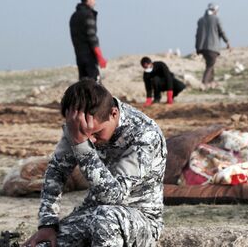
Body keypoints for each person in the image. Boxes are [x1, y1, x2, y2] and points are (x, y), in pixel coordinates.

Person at [23, 79, 166, 246]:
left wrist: (81, 145)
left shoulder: (145, 135)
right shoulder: (80, 127)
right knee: (46, 244)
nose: (90, 139)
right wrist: (47, 222)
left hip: (140, 220)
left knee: (106, 219)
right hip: (93, 213)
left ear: (113, 114)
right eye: (84, 134)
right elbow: (57, 172)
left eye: (96, 133)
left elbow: (113, 196)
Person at [70, 0, 108, 81]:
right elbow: (92, 37)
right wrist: (100, 57)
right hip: (89, 57)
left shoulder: (74, 16)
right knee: (96, 87)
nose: (95, 2)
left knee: (83, 86)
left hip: (79, 57)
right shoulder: (88, 14)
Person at [195, 3, 230, 87]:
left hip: (202, 48)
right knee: (210, 65)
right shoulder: (216, 19)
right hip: (212, 47)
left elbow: (197, 35)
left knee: (210, 64)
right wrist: (227, 41)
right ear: (214, 10)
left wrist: (197, 47)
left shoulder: (200, 20)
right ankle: (204, 83)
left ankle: (211, 82)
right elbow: (221, 32)